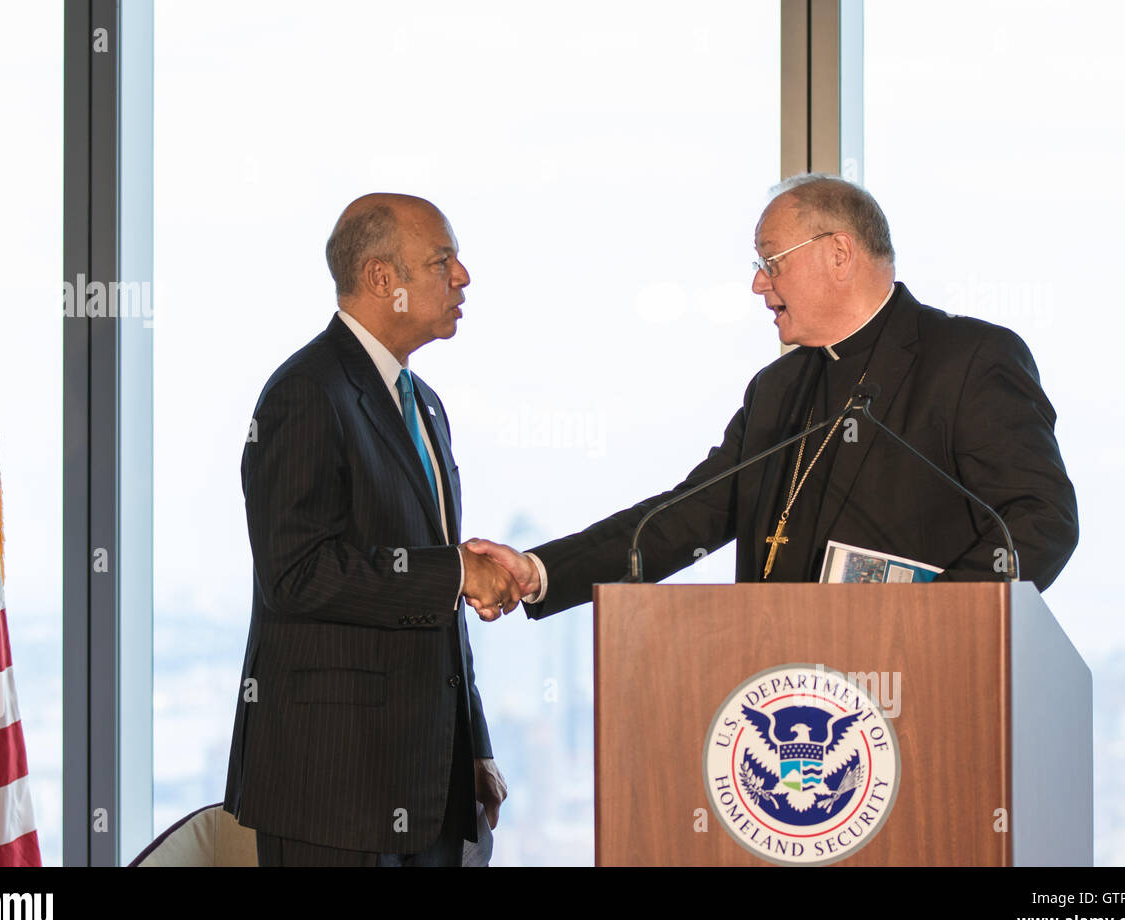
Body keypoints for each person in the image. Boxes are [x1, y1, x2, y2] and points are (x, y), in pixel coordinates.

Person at [467, 174, 1079, 614]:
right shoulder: (777, 390)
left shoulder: (967, 359)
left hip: (917, 696)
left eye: (771, 261)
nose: (759, 284)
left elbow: (1040, 521)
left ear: (839, 253)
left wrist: (928, 627)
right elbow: (685, 518)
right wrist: (542, 571)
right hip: (778, 692)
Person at [224, 193, 521, 866]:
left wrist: (469, 747)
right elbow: (296, 575)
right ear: (382, 280)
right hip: (333, 793)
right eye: (443, 261)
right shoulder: (306, 393)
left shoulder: (427, 407)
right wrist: (455, 572)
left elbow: (438, 602)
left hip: (432, 789)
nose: (463, 277)